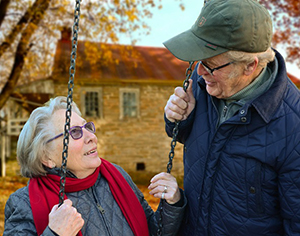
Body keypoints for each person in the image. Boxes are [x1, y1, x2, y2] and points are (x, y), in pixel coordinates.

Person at [163, 0, 300, 235]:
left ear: (249, 66)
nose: (200, 71)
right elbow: (192, 140)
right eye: (199, 62)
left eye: (210, 65)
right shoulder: (203, 86)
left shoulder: (293, 127)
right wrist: (178, 119)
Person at [4, 96, 186, 236]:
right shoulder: (24, 203)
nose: (91, 136)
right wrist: (54, 233)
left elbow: (153, 231)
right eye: (74, 132)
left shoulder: (117, 177)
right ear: (46, 157)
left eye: (87, 127)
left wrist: (172, 204)